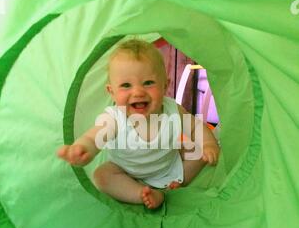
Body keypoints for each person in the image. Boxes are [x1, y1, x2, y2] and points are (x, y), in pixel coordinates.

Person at [57, 39, 220, 209]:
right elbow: (95, 136)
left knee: (199, 151)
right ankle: (141, 193)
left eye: (148, 83)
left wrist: (208, 144)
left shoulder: (172, 109)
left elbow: (194, 127)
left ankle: (177, 182)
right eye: (126, 85)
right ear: (111, 92)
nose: (137, 92)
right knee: (102, 176)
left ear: (165, 86)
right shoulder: (114, 117)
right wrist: (84, 148)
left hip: (170, 166)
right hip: (125, 172)